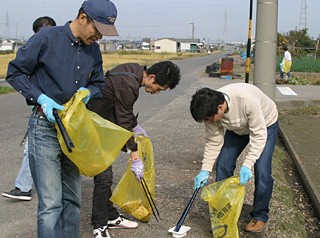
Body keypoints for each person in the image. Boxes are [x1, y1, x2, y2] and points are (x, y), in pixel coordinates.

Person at [5, 0, 119, 237]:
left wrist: (89, 92)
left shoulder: (93, 49)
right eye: (97, 30)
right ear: (83, 18)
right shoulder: (47, 38)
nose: (99, 37)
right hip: (44, 125)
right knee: (50, 204)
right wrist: (41, 98)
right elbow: (15, 72)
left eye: (103, 34)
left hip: (73, 129)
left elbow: (98, 82)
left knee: (72, 198)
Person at [87, 61, 181, 238]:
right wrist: (135, 156)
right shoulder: (129, 84)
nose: (157, 92)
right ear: (151, 77)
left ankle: (110, 216)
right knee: (104, 176)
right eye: (159, 88)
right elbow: (123, 121)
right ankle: (99, 225)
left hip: (102, 125)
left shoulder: (133, 71)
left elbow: (124, 109)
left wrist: (136, 125)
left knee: (105, 175)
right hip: (93, 126)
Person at [190, 83, 278, 233]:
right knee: (223, 164)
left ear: (220, 107)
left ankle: (260, 215)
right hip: (237, 129)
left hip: (265, 124)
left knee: (262, 170)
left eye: (209, 119)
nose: (209, 121)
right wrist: (205, 170)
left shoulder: (246, 100)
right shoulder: (211, 111)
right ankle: (224, 214)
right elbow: (213, 141)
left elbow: (258, 135)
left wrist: (247, 164)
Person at [2, 16, 56, 202]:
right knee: (32, 149)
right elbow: (17, 73)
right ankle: (24, 186)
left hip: (55, 108)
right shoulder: (40, 48)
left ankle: (25, 187)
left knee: (35, 149)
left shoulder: (59, 51)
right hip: (43, 107)